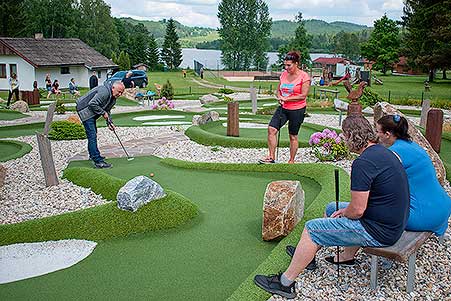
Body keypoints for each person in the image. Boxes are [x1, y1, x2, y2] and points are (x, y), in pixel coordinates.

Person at [254, 115, 410, 299]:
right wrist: (343, 211)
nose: (343, 140)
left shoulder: (363, 163)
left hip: (379, 230)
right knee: (331, 208)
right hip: (393, 223)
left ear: (352, 136)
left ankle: (285, 283)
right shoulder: (383, 151)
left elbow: (358, 210)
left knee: (312, 229)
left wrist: (346, 213)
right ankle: (313, 257)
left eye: (344, 136)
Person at [376, 114, 451, 236]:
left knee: (372, 212)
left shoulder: (394, 153)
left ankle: (349, 252)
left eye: (378, 131)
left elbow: (382, 184)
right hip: (443, 207)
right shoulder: (412, 145)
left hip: (425, 217)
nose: (377, 135)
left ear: (387, 134)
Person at [258, 51, 310, 164]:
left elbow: (303, 95)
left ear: (296, 64)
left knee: (293, 136)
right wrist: (280, 96)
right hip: (283, 107)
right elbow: (278, 90)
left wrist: (287, 99)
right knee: (271, 129)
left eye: (289, 65)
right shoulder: (284, 75)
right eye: (285, 65)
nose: (286, 68)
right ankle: (271, 157)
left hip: (297, 109)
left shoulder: (304, 76)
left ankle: (291, 160)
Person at [76, 81, 125, 169]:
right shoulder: (104, 91)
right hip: (84, 110)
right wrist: (102, 113)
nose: (120, 94)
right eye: (119, 91)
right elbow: (92, 103)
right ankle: (98, 161)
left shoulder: (113, 98)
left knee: (93, 135)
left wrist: (110, 123)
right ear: (113, 88)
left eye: (122, 92)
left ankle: (93, 155)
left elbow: (108, 111)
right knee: (92, 135)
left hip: (91, 112)